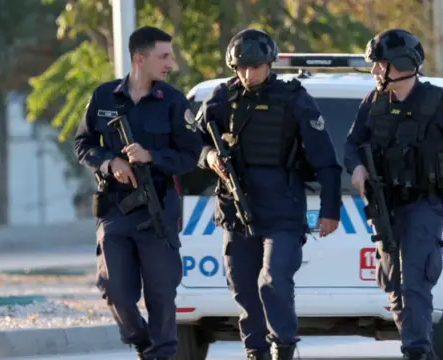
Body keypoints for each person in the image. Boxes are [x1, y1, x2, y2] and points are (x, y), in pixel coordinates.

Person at [344, 29, 443, 360]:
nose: (374, 72)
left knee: (415, 282)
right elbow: (351, 143)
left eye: (379, 65)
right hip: (386, 205)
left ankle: (414, 352)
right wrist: (355, 167)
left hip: (424, 206)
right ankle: (421, 351)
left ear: (400, 65)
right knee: (395, 288)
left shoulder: (442, 103)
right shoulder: (373, 102)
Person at [195, 28, 342, 360]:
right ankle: (256, 352)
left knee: (272, 280)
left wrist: (330, 210)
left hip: (283, 211)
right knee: (244, 290)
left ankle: (283, 347)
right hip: (236, 210)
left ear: (269, 63)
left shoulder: (294, 100)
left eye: (256, 67)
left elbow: (326, 161)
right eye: (242, 68)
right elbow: (192, 142)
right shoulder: (221, 98)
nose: (248, 74)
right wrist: (209, 157)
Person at [73, 26, 202, 360]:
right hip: (116, 208)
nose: (170, 63)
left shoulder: (173, 101)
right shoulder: (104, 97)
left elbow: (190, 157)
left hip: (158, 208)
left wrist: (152, 157)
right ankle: (141, 340)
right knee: (113, 288)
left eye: (170, 56)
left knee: (161, 293)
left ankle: (162, 353)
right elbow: (82, 144)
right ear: (139, 58)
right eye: (163, 56)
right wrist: (109, 161)